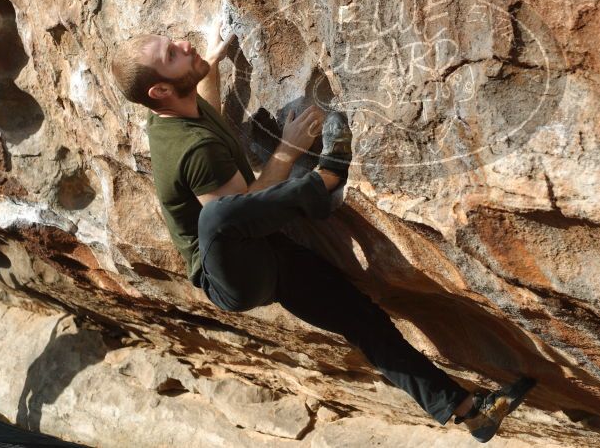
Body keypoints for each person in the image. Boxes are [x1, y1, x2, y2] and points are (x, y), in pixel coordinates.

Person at [108, 24, 535, 443]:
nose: (182, 44)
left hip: (266, 252)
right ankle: (327, 177)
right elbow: (245, 205)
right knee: (216, 217)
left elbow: (208, 109)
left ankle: (470, 413)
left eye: (172, 41)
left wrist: (210, 63)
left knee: (360, 317)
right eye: (171, 55)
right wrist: (289, 150)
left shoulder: (179, 109)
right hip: (232, 273)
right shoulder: (189, 148)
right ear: (159, 93)